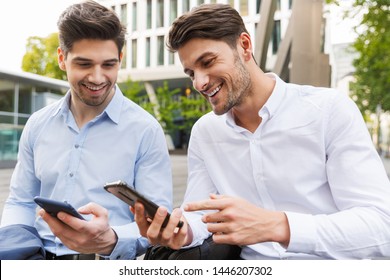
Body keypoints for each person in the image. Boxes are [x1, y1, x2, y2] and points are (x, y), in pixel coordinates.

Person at [134, 3, 390, 259]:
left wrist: (279, 226)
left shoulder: (328, 111)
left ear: (244, 45)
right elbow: (202, 215)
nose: (199, 82)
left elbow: (381, 226)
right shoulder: (205, 131)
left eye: (208, 62)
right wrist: (183, 232)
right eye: (191, 73)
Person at [0, 0, 172, 260]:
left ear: (120, 59)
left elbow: (157, 224)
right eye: (84, 64)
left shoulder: (145, 130)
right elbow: (20, 201)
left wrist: (111, 239)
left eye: (108, 64)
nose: (97, 77)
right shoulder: (37, 124)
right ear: (62, 58)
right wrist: (16, 252)